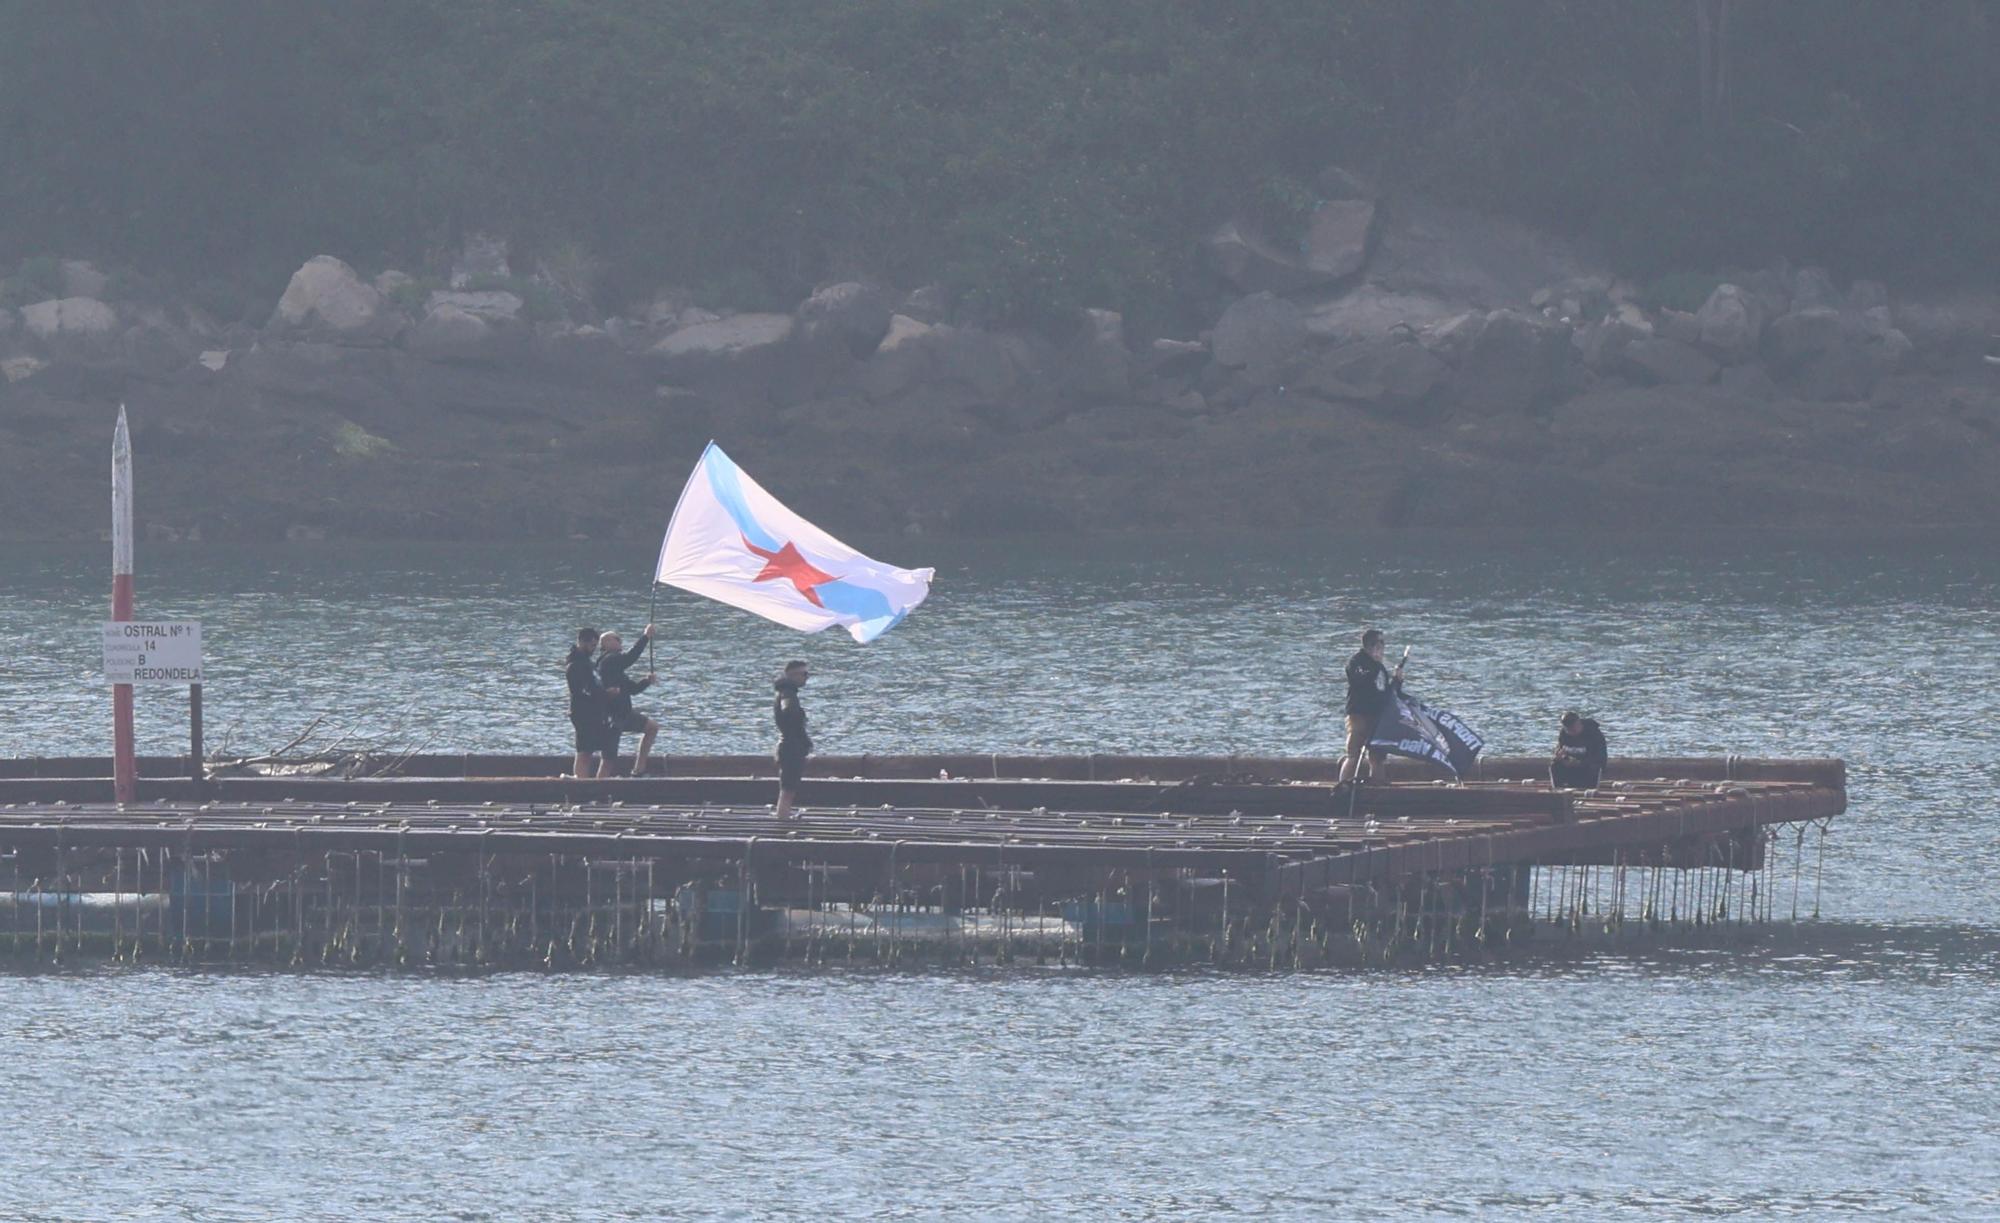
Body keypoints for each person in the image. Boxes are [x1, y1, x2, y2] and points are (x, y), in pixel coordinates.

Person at [1338, 628, 1403, 785]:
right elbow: (1360, 681)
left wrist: (1397, 681)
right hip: (1359, 714)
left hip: (1376, 716)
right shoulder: (1357, 662)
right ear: (1371, 645)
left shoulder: (1379, 668)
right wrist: (1373, 665)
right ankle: (1344, 785)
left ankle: (1378, 785)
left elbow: (1386, 694)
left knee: (1377, 755)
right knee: (1353, 754)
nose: (1382, 648)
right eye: (1379, 644)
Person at [596, 625, 657, 776]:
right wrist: (645, 637)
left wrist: (646, 681)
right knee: (608, 758)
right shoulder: (609, 660)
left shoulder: (616, 668)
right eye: (617, 639)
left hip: (625, 714)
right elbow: (631, 657)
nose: (620, 641)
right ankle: (596, 789)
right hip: (612, 717)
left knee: (652, 728)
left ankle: (639, 770)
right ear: (606, 644)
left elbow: (633, 690)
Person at [565, 627, 614, 778]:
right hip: (582, 713)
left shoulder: (587, 663)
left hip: (593, 712)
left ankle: (585, 782)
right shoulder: (575, 666)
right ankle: (580, 784)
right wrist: (606, 694)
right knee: (584, 752)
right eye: (592, 645)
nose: (594, 649)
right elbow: (583, 691)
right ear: (581, 642)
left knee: (590, 750)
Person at [772, 659, 812, 820]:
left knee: (790, 785)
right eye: (804, 674)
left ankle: (784, 814)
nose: (806, 677)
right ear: (793, 675)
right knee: (788, 786)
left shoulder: (787, 692)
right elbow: (788, 710)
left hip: (790, 744)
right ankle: (782, 817)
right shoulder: (787, 693)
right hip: (790, 746)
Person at [1551, 711, 1609, 789]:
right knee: (1555, 765)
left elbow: (1601, 757)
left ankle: (1588, 789)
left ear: (1579, 724)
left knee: (1593, 767)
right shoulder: (1564, 734)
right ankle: (1558, 790)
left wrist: (1580, 763)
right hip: (1572, 767)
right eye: (1569, 730)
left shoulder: (1593, 733)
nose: (1572, 733)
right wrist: (1560, 758)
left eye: (1574, 729)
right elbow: (1561, 750)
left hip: (1588, 766)